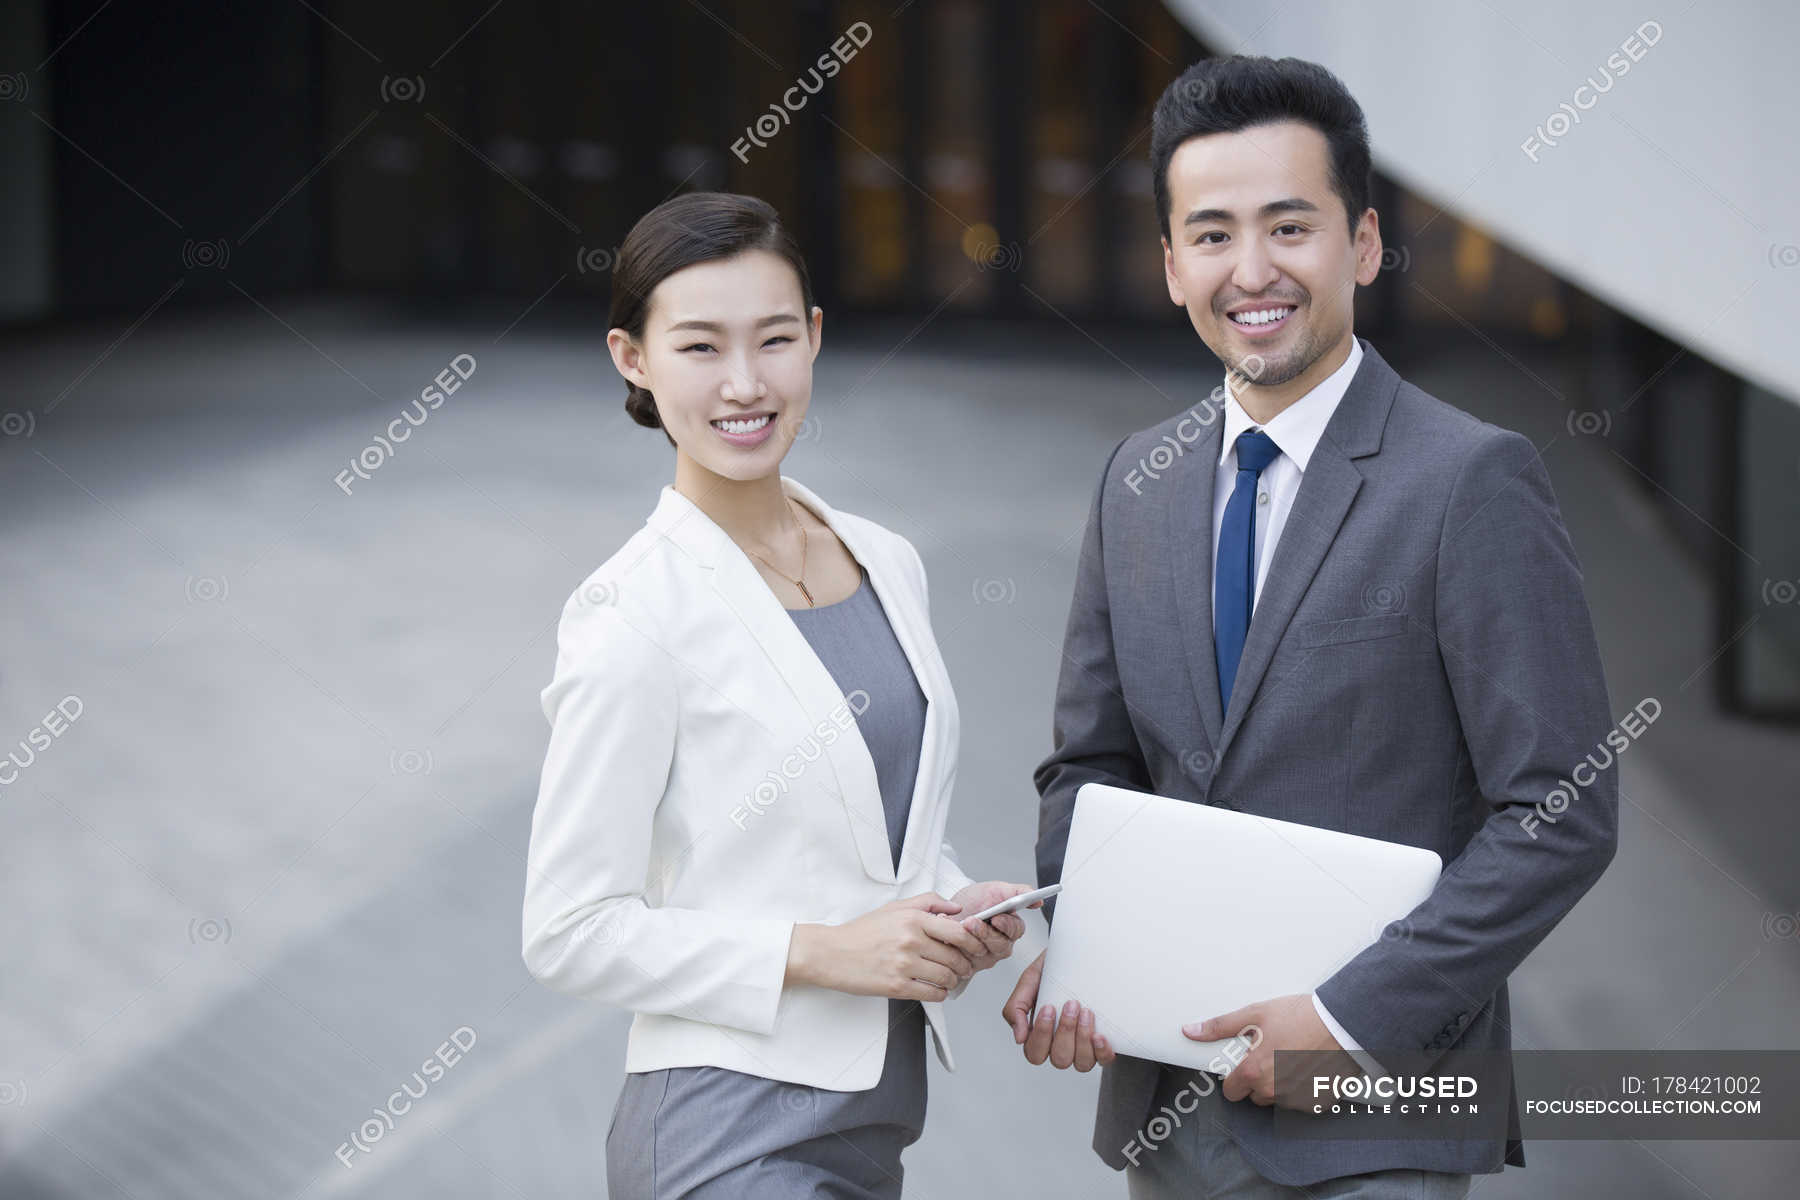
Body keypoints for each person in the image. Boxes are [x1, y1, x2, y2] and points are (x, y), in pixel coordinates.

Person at [1002, 55, 1618, 1197]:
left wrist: (1344, 1022)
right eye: (1215, 233)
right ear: (1174, 262)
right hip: (1172, 1110)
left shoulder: (1470, 481)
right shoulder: (1137, 483)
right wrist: (1076, 953)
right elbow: (1089, 769)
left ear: (1365, 244)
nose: (1254, 270)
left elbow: (1561, 812)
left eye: (1290, 226)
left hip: (1374, 1123)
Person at [521, 190, 1038, 1198]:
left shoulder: (885, 558)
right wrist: (826, 953)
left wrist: (949, 898)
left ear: (814, 339)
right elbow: (568, 930)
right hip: (724, 1133)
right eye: (701, 348)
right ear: (634, 359)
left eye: (772, 340)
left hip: (874, 1121)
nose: (745, 384)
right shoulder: (632, 613)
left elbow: (862, 823)